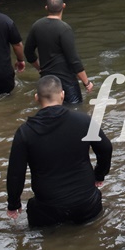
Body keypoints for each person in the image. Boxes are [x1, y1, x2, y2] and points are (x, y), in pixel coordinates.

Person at [6, 76, 112, 227]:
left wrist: (13, 204)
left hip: (48, 210)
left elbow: (16, 173)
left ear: (36, 98)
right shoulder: (84, 121)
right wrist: (99, 174)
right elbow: (106, 148)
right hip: (87, 205)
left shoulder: (25, 132)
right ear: (62, 94)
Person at [24, 0, 93, 104]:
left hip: (46, 81)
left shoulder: (37, 26)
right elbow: (74, 60)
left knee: (49, 109)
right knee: (75, 108)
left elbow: (28, 52)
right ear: (64, 6)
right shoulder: (64, 29)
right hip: (66, 81)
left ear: (46, 8)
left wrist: (40, 69)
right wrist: (86, 82)